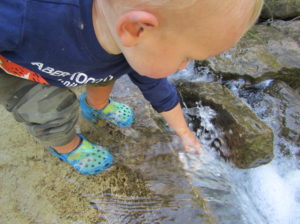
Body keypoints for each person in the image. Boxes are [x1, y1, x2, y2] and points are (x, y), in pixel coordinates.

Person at [0, 0, 264, 175]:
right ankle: (66, 146)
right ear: (137, 29)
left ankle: (96, 105)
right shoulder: (26, 16)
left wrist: (184, 133)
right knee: (48, 113)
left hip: (80, 65)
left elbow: (159, 91)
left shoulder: (129, 45)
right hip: (21, 74)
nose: (184, 66)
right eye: (186, 55)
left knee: (106, 75)